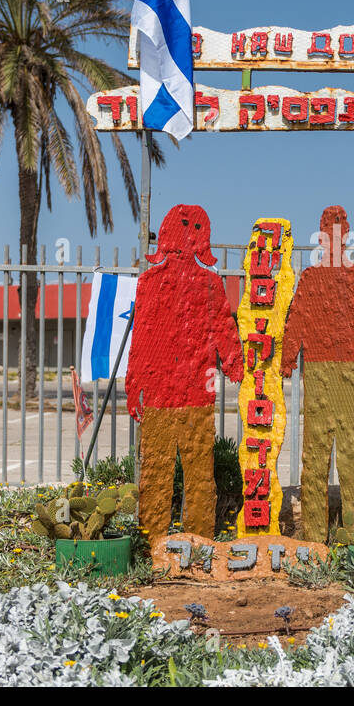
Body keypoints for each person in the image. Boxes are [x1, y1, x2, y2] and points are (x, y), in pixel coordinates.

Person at [126, 205, 242, 542]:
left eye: (195, 227)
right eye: (184, 227)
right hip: (171, 397)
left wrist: (233, 360)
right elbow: (143, 338)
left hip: (187, 396)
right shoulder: (154, 283)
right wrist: (135, 385)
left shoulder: (206, 284)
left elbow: (222, 325)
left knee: (191, 473)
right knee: (166, 472)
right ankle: (160, 540)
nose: (189, 233)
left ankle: (190, 540)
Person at [282, 206, 354, 541]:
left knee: (350, 461)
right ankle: (316, 536)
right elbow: (296, 321)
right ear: (323, 237)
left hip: (346, 373)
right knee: (321, 459)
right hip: (325, 373)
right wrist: (287, 356)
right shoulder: (312, 279)